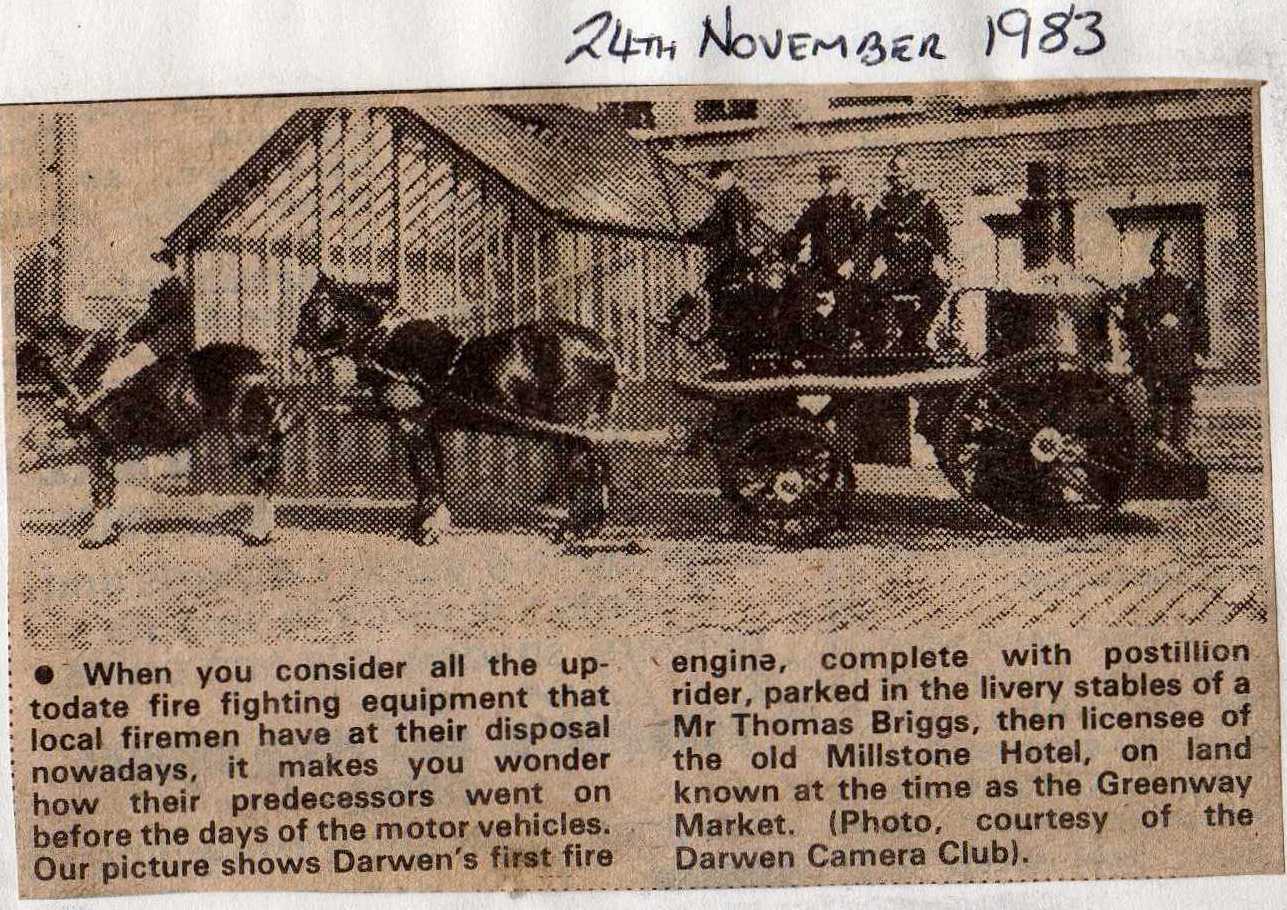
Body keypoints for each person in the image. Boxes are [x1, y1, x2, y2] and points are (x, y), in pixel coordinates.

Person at [67, 246, 195, 421]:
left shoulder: (171, 289)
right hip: (161, 341)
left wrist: (129, 335)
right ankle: (90, 407)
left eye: (158, 265)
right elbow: (150, 318)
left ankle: (87, 411)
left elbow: (153, 318)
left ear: (167, 266)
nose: (154, 271)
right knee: (118, 367)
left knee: (119, 370)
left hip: (164, 343)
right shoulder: (168, 288)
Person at [1120, 231, 1209, 457]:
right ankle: (1160, 446)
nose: (1164, 262)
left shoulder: (1186, 288)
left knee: (1182, 400)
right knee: (1157, 401)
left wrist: (1199, 349)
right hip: (1155, 356)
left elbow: (1199, 321)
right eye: (1160, 257)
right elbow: (1133, 322)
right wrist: (1144, 339)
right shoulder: (1143, 289)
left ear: (1174, 259)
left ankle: (1181, 444)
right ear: (1153, 260)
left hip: (1181, 354)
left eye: (1168, 257)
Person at [658, 160, 760, 347]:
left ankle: (680, 319)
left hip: (728, 257)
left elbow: (722, 230)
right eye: (715, 178)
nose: (716, 182)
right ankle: (686, 322)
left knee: (708, 291)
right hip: (728, 257)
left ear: (730, 175)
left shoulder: (733, 199)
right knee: (708, 291)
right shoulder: (729, 199)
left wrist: (693, 235)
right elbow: (717, 227)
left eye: (718, 177)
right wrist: (694, 233)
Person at [865, 150, 952, 352]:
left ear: (911, 176)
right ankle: (883, 342)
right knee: (871, 291)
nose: (900, 180)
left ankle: (914, 335)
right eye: (896, 176)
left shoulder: (924, 203)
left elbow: (940, 234)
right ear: (890, 179)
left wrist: (940, 259)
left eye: (904, 175)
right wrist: (876, 260)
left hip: (920, 267)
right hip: (893, 268)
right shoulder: (883, 206)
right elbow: (872, 238)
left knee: (938, 290)